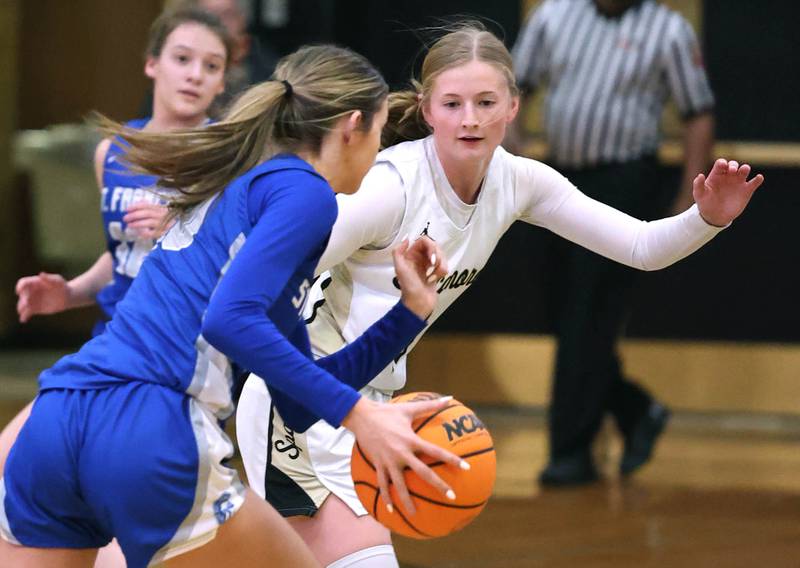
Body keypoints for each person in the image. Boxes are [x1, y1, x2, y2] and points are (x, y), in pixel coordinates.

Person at [235, 23, 762, 568]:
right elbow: (267, 273)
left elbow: (641, 245)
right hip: (301, 401)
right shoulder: (391, 187)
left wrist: (708, 219)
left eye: (486, 102)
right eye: (454, 103)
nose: (470, 119)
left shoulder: (519, 181)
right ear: (427, 107)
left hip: (373, 407)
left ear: (513, 107)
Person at [0, 44, 465, 568]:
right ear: (352, 125)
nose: (379, 149)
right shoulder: (306, 194)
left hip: (60, 417)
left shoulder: (244, 185)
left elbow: (298, 401)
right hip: (151, 420)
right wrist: (362, 416)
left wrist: (409, 312)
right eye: (380, 132)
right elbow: (229, 319)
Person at [2, 10, 232, 566]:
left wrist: (181, 225)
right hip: (110, 346)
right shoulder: (114, 152)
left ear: (225, 81)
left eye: (211, 65)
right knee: (13, 461)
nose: (195, 75)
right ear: (152, 64)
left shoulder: (222, 155)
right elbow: (120, 257)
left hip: (176, 362)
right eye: (182, 59)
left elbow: (239, 265)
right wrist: (71, 292)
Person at [510, 0, 716, 485]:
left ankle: (570, 454)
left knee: (588, 314)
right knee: (563, 314)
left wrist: (691, 199)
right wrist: (513, 158)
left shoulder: (668, 31)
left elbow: (699, 114)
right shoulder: (552, 17)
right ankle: (635, 408)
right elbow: (512, 88)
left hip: (625, 181)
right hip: (557, 179)